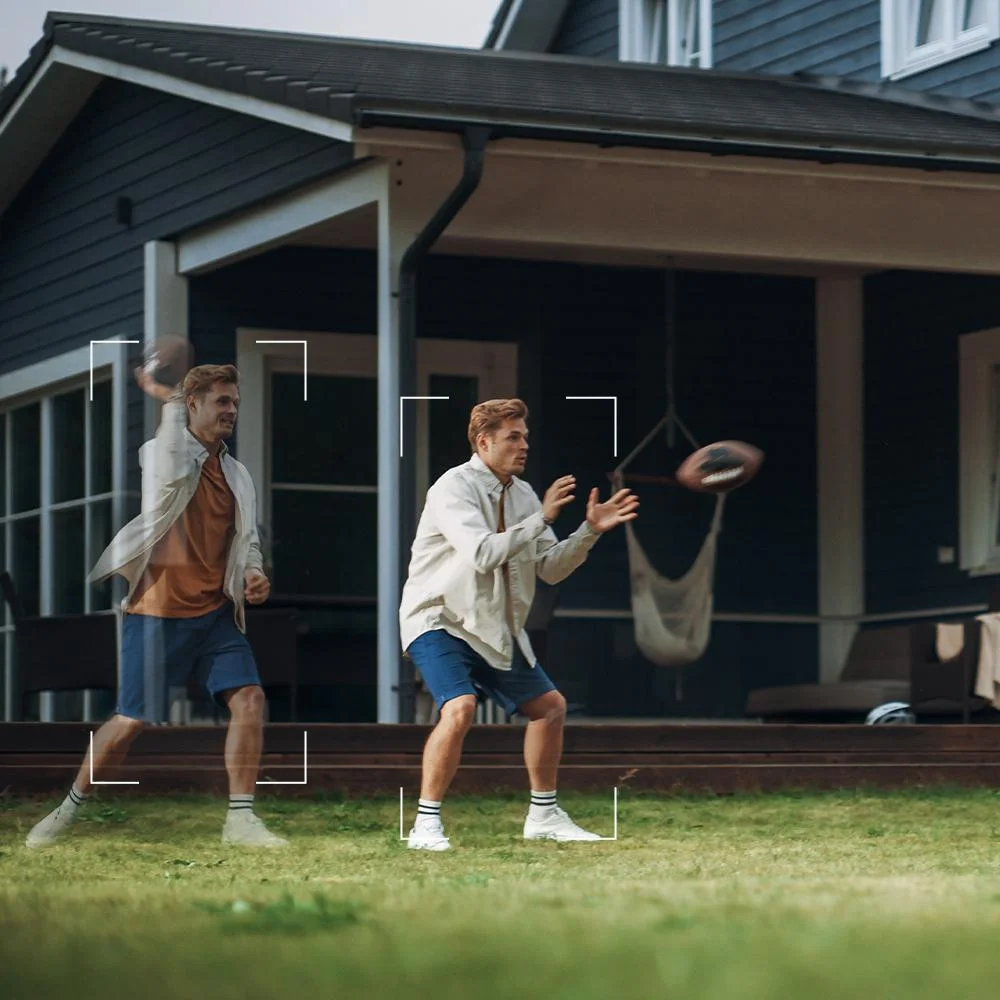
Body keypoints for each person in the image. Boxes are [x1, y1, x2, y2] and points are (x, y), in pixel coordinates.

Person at [25, 364, 286, 849]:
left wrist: (254, 573)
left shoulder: (238, 475)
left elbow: (246, 539)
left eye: (235, 402)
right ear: (193, 405)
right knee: (130, 721)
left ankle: (241, 820)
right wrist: (167, 397)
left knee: (250, 699)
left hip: (216, 615)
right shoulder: (164, 453)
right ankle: (68, 808)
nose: (232, 410)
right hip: (157, 612)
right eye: (222, 401)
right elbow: (168, 458)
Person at [399, 398, 639, 850]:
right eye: (513, 437)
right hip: (439, 617)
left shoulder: (526, 495)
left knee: (550, 707)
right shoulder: (452, 487)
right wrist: (543, 517)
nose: (524, 445)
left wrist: (588, 531)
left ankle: (544, 815)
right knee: (460, 707)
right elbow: (482, 553)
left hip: (495, 627)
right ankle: (425, 825)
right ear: (483, 442)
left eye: (525, 436)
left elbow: (550, 568)